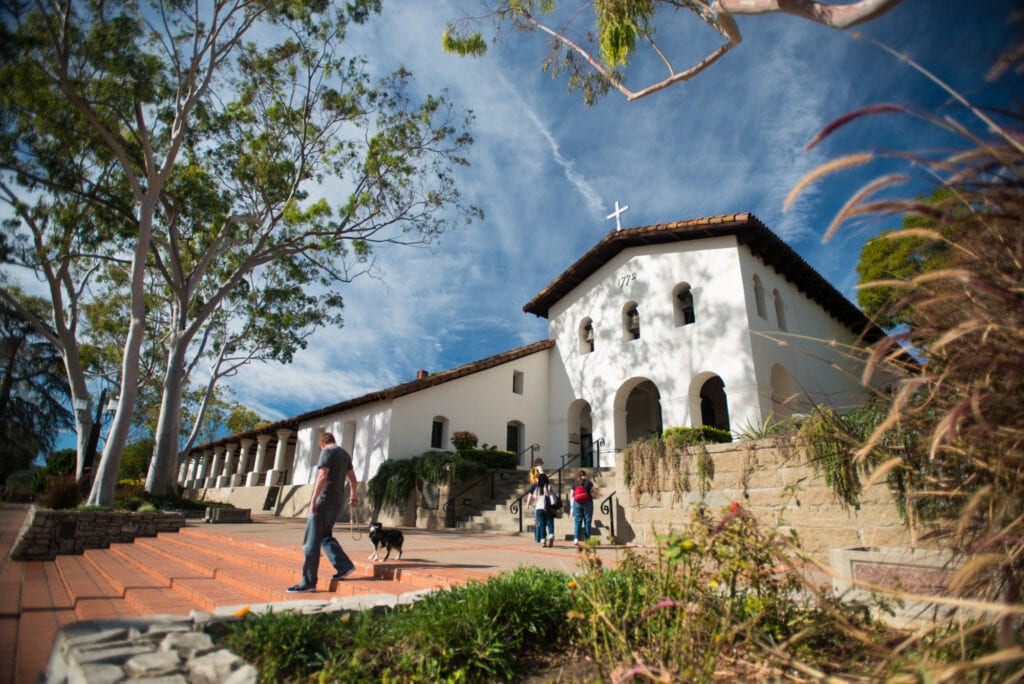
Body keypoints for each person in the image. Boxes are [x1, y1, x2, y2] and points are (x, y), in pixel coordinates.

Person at [287, 432, 360, 593]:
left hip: (324, 499)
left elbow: (322, 475)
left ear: (321, 443)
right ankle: (344, 566)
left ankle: (308, 582)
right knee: (325, 536)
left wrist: (313, 499)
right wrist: (353, 495)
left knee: (311, 541)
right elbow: (353, 479)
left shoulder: (327, 452)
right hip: (337, 500)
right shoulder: (344, 454)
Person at [527, 472, 555, 547]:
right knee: (550, 523)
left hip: (539, 508)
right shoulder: (549, 486)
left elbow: (534, 497)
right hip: (548, 507)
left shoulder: (537, 488)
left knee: (542, 525)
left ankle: (543, 540)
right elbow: (552, 495)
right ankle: (551, 535)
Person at [572, 469, 595, 546]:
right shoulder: (588, 482)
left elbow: (572, 494)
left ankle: (576, 539)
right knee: (587, 521)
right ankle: (587, 540)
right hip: (587, 503)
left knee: (578, 521)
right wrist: (599, 494)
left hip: (577, 503)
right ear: (585, 475)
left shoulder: (575, 483)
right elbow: (594, 491)